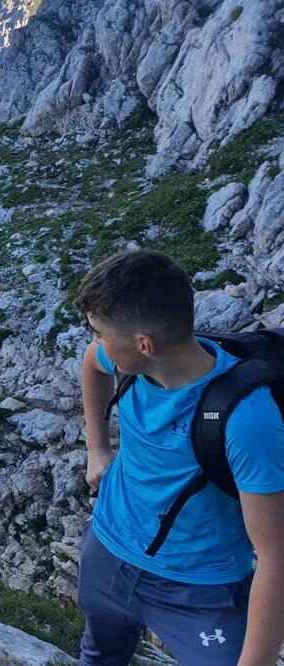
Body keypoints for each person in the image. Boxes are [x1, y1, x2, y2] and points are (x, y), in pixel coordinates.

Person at [74, 250, 284, 666]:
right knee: (97, 656)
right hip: (107, 549)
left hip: (202, 589)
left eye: (100, 334)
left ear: (144, 344)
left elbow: (276, 555)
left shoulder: (249, 420)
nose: (97, 344)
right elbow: (91, 364)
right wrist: (97, 448)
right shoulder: (129, 363)